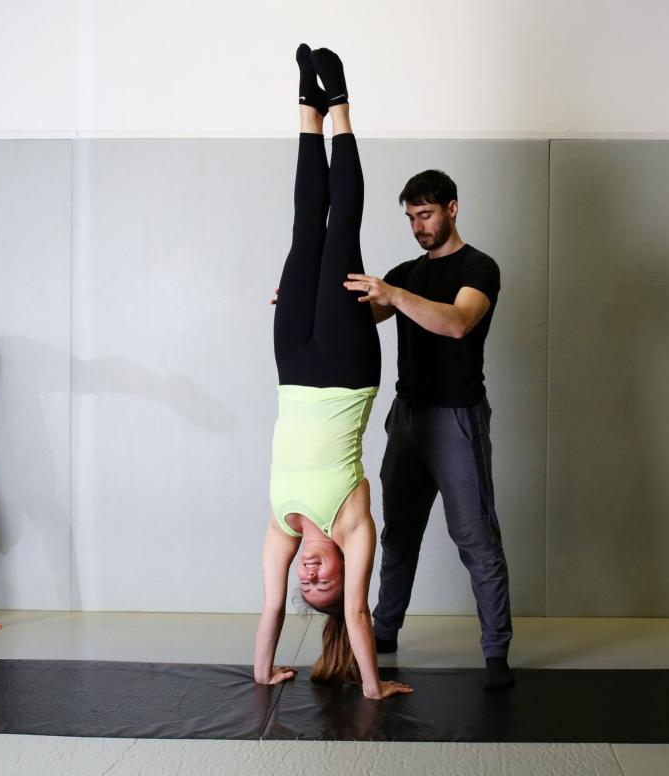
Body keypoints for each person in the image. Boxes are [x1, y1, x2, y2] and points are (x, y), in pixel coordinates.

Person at [254, 45, 411, 701]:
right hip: (347, 371)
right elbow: (353, 612)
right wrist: (372, 688)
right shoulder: (353, 526)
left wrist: (262, 673)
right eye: (324, 580)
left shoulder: (283, 526)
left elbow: (269, 612)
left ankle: (306, 109)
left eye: (306, 583)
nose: (311, 576)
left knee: (301, 232)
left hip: (293, 365)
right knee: (339, 229)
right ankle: (341, 103)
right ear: (342, 570)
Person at [344, 167, 513, 689]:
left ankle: (495, 652)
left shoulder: (479, 268)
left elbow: (458, 322)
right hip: (409, 418)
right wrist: (305, 303)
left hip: (457, 419)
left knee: (475, 536)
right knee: (397, 534)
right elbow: (357, 315)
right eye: (411, 218)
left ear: (452, 209)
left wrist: (392, 295)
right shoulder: (405, 273)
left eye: (426, 214)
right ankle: (385, 630)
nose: (419, 226)